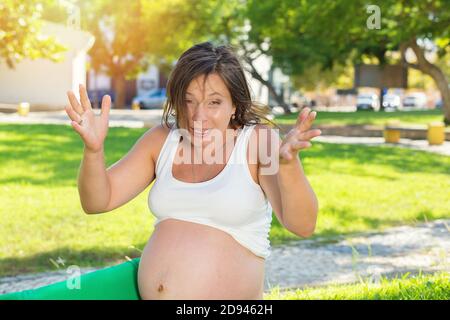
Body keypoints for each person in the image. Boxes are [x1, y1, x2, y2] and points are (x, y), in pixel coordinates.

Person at [30, 41, 320, 300]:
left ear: (234, 105)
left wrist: (289, 165)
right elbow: (97, 202)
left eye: (214, 103)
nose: (198, 116)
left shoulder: (259, 142)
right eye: (188, 101)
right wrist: (94, 151)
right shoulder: (162, 140)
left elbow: (302, 225)